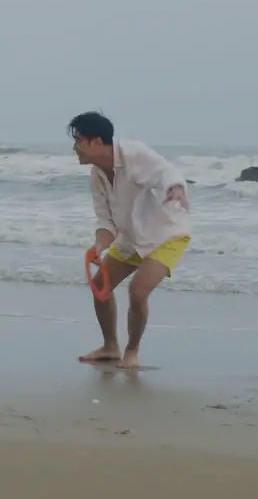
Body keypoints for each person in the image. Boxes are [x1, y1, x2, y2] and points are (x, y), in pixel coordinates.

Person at [69, 111, 191, 369]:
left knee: (137, 291)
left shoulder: (133, 154)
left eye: (78, 140)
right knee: (100, 284)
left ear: (96, 142)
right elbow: (105, 221)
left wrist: (176, 188)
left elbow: (164, 172)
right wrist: (100, 245)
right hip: (130, 238)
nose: (74, 148)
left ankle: (132, 351)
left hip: (166, 234)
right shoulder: (97, 175)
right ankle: (110, 346)